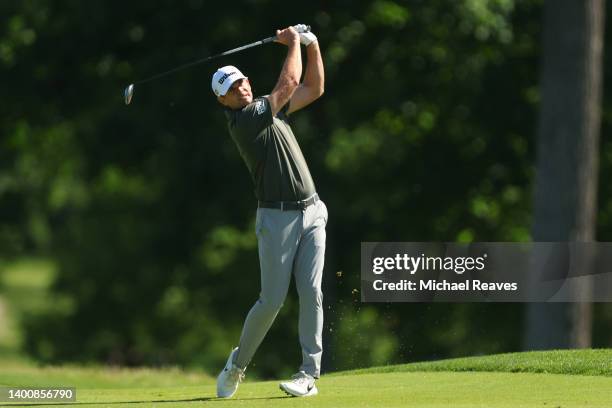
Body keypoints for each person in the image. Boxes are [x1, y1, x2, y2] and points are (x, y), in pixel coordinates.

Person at [211, 25, 327, 398]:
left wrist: (312, 46)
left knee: (311, 291)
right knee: (272, 300)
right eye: (231, 89)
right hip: (277, 220)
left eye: (242, 82)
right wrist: (293, 41)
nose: (241, 89)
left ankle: (309, 374)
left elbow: (313, 88)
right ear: (223, 102)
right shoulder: (246, 120)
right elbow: (290, 82)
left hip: (312, 212)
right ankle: (237, 365)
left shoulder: (269, 108)